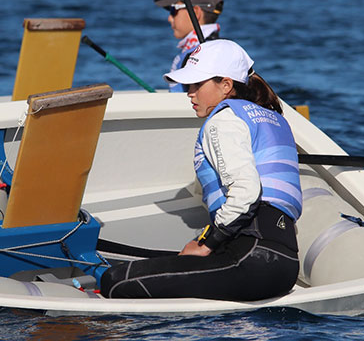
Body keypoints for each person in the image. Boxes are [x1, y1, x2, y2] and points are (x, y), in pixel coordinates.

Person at [100, 40, 302, 301]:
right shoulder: (273, 118)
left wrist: (206, 244)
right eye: (188, 86)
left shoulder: (224, 120)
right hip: (284, 263)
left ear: (226, 85)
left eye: (197, 85)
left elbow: (247, 192)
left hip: (252, 258)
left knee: (115, 281)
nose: (190, 93)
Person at [154, 0, 224, 92]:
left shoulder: (198, 56)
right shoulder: (219, 49)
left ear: (195, 12)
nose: (169, 18)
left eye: (173, 10)